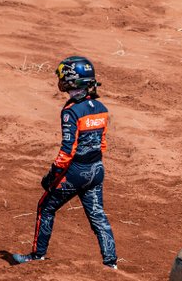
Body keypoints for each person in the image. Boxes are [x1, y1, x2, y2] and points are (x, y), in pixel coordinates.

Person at [11, 56, 117, 269]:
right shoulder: (101, 107)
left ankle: (37, 255)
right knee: (97, 216)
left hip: (76, 172)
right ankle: (111, 263)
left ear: (72, 81)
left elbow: (67, 151)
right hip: (97, 169)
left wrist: (51, 177)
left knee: (45, 207)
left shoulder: (71, 111)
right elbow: (102, 143)